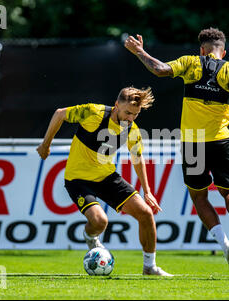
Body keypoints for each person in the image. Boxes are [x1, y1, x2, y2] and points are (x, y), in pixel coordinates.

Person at [124, 28, 229, 273]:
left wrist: (139, 51)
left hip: (192, 144)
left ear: (202, 50)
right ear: (223, 51)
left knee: (199, 197)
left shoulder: (190, 63)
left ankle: (226, 245)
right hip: (220, 141)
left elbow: (160, 70)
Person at [36, 86, 173, 276]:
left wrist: (148, 192)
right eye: (127, 113)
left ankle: (149, 267)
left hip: (106, 177)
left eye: (135, 114)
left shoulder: (132, 130)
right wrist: (46, 144)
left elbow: (138, 158)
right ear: (116, 105)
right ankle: (89, 235)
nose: (130, 118)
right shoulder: (93, 112)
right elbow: (60, 114)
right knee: (100, 222)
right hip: (78, 179)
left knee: (146, 213)